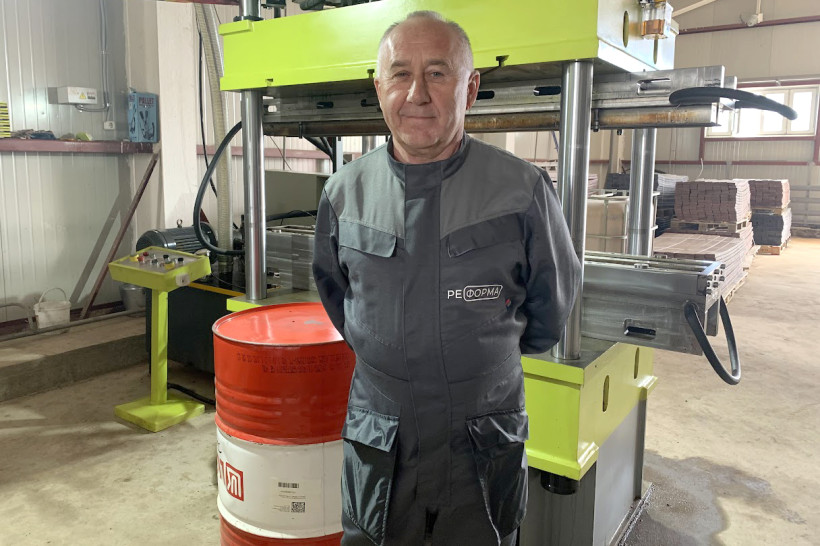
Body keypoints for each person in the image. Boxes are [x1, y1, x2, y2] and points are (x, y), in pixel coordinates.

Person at [312, 10, 581, 546]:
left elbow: (551, 308)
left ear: (470, 88)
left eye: (437, 73)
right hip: (383, 443)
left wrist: (477, 360)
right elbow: (337, 297)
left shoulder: (521, 190)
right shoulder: (344, 194)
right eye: (400, 74)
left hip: (480, 443)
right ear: (379, 87)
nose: (417, 93)